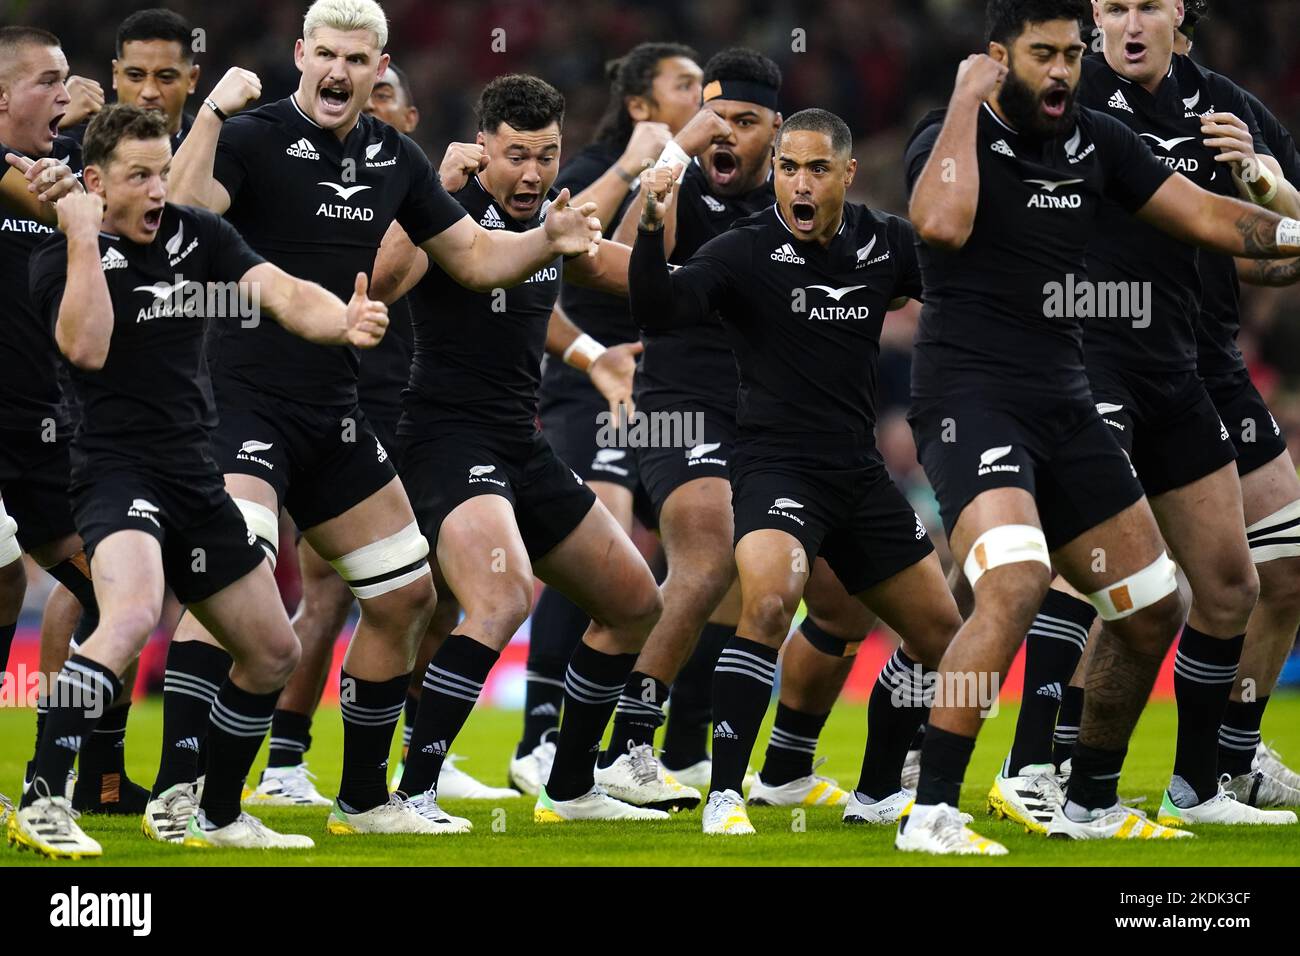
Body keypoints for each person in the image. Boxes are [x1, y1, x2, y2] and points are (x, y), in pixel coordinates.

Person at [142, 0, 604, 841]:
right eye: (325, 55)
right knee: (233, 590)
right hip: (239, 406)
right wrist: (209, 112)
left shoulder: (397, 157)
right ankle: (183, 797)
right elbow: (177, 217)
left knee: (406, 598)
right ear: (300, 54)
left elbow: (471, 257)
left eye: (357, 60)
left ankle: (364, 799)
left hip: (336, 417)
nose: (338, 73)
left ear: (378, 66)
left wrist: (550, 238)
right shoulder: (250, 136)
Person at [14, 103, 391, 857]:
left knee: (273, 650)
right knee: (128, 617)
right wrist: (85, 235)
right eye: (139, 177)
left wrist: (337, 321)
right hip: (117, 474)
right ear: (95, 183)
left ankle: (209, 812)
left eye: (164, 172)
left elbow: (279, 289)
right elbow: (85, 349)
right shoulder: (58, 261)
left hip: (194, 472)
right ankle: (43, 798)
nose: (159, 191)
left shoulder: (197, 233)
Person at [630, 107, 965, 835]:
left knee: (943, 634)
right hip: (774, 467)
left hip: (858, 472)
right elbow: (660, 306)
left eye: (816, 169)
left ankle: (876, 793)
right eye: (788, 168)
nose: (800, 183)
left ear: (846, 173)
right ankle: (724, 793)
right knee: (772, 604)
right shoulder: (743, 250)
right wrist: (652, 225)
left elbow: (964, 286)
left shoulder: (887, 243)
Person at [374, 73, 669, 825]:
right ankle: (410, 791)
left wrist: (719, 285)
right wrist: (425, 195)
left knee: (636, 603)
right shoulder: (448, 210)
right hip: (443, 438)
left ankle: (569, 788)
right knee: (501, 599)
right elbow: (379, 283)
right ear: (484, 149)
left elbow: (618, 276)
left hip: (519, 443)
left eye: (547, 155)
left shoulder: (554, 220)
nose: (533, 173)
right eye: (515, 156)